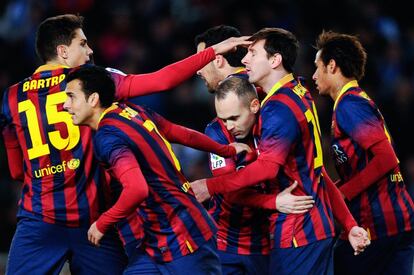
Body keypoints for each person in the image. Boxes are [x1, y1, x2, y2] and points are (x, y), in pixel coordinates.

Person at [1, 14, 250, 275]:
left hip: (39, 221)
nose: (90, 50)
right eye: (83, 44)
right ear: (63, 51)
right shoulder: (95, 83)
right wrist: (212, 52)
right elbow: (163, 81)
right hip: (96, 221)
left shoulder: (11, 97)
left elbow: (17, 171)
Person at [190, 28, 369, 275]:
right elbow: (315, 171)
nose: (245, 60)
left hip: (296, 232)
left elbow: (268, 168)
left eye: (252, 53)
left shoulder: (275, 108)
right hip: (289, 232)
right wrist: (348, 224)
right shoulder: (298, 92)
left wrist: (208, 187)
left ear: (275, 60)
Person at [63, 65, 229, 274]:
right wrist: (226, 150)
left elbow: (137, 189)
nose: (65, 105)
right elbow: (180, 133)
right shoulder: (132, 111)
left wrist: (102, 222)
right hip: (156, 241)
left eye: (71, 96)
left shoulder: (106, 137)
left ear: (93, 99)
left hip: (184, 236)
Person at [195, 25, 317, 275]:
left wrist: (209, 186)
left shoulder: (225, 123)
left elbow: (235, 185)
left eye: (200, 60)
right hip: (264, 238)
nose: (196, 69)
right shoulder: (286, 92)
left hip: (245, 241)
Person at [312, 30, 414, 275]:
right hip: (399, 220)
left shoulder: (349, 105)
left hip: (377, 225)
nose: (314, 75)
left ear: (332, 66)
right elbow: (365, 162)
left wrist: (343, 192)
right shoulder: (358, 100)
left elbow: (387, 158)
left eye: (318, 67)